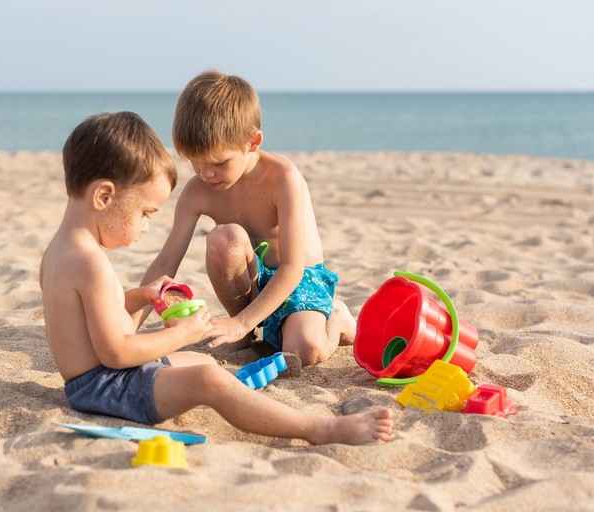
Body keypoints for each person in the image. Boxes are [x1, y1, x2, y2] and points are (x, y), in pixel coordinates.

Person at [39, 112, 393, 444]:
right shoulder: (92, 264)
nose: (145, 226)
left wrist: (141, 296)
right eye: (145, 213)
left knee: (207, 363)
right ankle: (318, 428)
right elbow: (116, 351)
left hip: (91, 382)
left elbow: (93, 320)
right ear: (103, 196)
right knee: (210, 380)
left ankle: (249, 389)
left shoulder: (60, 253)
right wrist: (181, 335)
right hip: (108, 388)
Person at [137, 70, 357, 366]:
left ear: (252, 142)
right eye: (195, 162)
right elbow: (165, 264)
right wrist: (129, 327)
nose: (205, 173)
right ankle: (243, 332)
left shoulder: (282, 178)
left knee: (304, 352)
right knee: (224, 239)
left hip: (297, 279)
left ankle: (338, 318)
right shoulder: (197, 191)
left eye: (218, 162)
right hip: (251, 285)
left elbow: (292, 268)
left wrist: (243, 321)